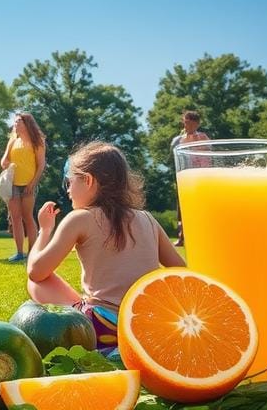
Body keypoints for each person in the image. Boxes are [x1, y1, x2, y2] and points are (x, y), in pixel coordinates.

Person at [26, 142, 186, 353]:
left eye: (69, 182)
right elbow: (181, 272)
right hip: (145, 326)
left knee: (36, 283)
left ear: (88, 180)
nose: (68, 191)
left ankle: (103, 340)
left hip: (101, 326)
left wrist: (44, 231)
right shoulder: (147, 218)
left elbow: (36, 272)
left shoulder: (80, 218)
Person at [0, 112, 46, 263]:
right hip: (13, 184)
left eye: (19, 121)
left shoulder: (37, 141)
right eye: (15, 121)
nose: (16, 124)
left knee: (28, 217)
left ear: (27, 124)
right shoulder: (13, 140)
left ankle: (32, 252)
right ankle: (19, 252)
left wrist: (32, 184)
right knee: (15, 218)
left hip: (28, 185)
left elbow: (41, 166)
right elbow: (4, 160)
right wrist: (5, 164)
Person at [169, 110, 209, 247]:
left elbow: (209, 156)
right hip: (185, 179)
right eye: (185, 122)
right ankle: (181, 238)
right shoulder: (178, 140)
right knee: (182, 209)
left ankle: (201, 237)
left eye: (190, 123)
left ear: (197, 124)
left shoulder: (203, 137)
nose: (187, 125)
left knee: (201, 209)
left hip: (201, 179)